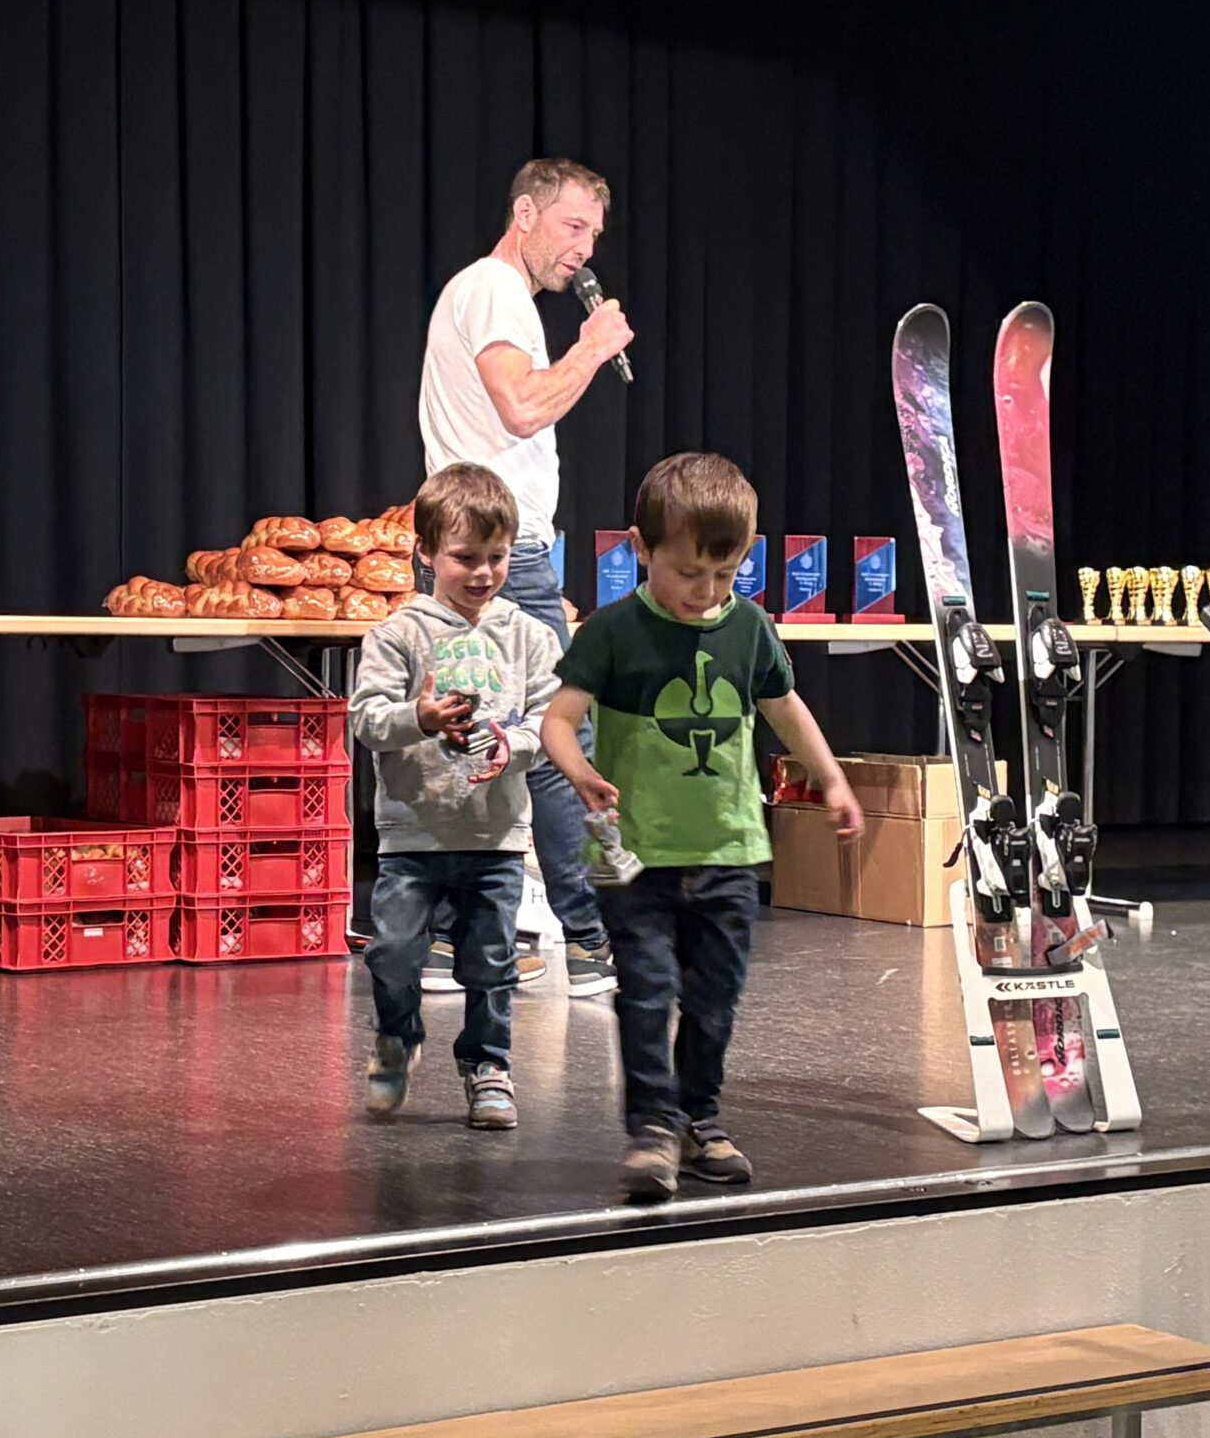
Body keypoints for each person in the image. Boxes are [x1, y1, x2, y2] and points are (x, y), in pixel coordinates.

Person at [543, 453, 865, 1202]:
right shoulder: (613, 632)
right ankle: (652, 1128)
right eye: (689, 572)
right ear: (640, 548)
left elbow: (786, 709)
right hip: (637, 858)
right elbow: (557, 720)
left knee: (715, 999)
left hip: (729, 851)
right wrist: (579, 771)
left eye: (726, 573)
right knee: (646, 991)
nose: (708, 591)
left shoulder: (748, 628)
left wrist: (831, 778)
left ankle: (699, 1120)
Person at [417, 156, 636, 1000]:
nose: (584, 250)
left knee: (476, 740)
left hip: (482, 549)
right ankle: (586, 943)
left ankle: (453, 943)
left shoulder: (489, 296)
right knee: (556, 740)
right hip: (497, 553)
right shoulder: (496, 290)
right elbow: (521, 407)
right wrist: (591, 347)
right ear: (525, 214)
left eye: (594, 235)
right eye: (573, 226)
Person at [348, 465, 565, 1131]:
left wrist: (514, 746)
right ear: (426, 553)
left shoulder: (529, 636)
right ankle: (397, 1038)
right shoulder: (397, 634)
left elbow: (550, 721)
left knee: (492, 962)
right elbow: (366, 720)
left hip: (495, 835)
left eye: (497, 557)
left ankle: (488, 1064)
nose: (483, 573)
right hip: (412, 836)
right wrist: (419, 717)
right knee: (393, 952)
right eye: (465, 557)